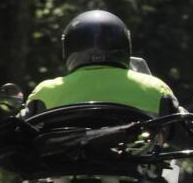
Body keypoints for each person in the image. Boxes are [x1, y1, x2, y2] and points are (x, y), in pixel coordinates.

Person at [27, 9, 179, 116]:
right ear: (125, 44)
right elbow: (187, 138)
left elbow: (18, 140)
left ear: (68, 48)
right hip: (133, 162)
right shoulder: (155, 89)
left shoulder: (46, 92)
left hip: (67, 162)